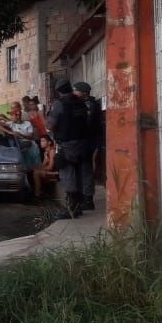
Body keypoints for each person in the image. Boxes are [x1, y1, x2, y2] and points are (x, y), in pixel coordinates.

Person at [46, 79, 93, 219]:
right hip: (83, 143)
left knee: (67, 174)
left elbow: (51, 125)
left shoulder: (59, 104)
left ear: (59, 91)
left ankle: (72, 209)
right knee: (80, 173)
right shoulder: (82, 103)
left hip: (67, 144)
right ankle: (80, 205)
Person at [73, 81, 102, 210]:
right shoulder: (83, 104)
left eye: (76, 90)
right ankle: (84, 198)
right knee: (82, 170)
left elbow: (87, 125)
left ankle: (88, 199)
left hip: (88, 143)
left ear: (83, 93)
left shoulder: (89, 106)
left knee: (86, 170)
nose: (74, 93)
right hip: (84, 142)